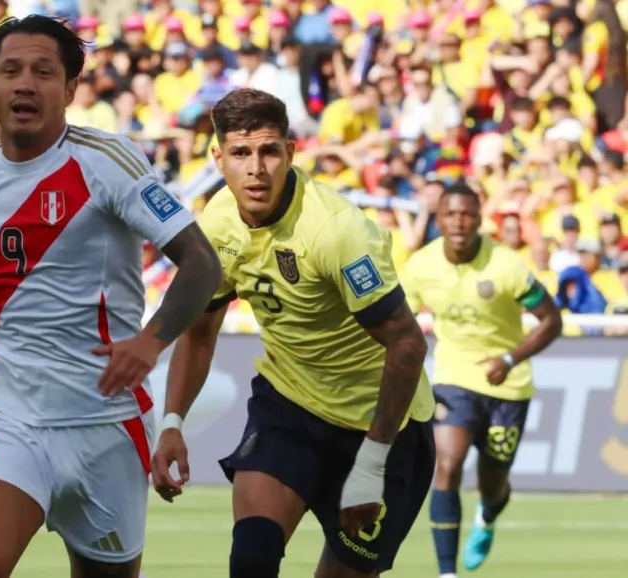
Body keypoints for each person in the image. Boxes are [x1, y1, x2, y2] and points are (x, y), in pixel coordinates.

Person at [0, 15, 223, 578]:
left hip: (106, 421)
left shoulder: (109, 162)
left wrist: (151, 343)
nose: (25, 84)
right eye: (10, 71)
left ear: (70, 89)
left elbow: (202, 262)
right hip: (8, 413)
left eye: (43, 71)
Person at [152, 88, 436, 578]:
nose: (256, 169)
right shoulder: (218, 221)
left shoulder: (336, 231)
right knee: (252, 560)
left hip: (380, 429)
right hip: (290, 407)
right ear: (218, 158)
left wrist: (371, 464)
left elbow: (407, 344)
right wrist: (172, 420)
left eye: (269, 151)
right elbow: (200, 331)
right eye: (241, 153)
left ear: (291, 152)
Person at [399, 184, 563, 578]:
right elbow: (397, 321)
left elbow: (552, 321)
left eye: (467, 214)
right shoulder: (420, 266)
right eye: (450, 214)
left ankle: (488, 515)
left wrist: (510, 358)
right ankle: (446, 572)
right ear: (438, 219)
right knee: (449, 463)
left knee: (493, 484)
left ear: (479, 219)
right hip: (455, 378)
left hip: (508, 385)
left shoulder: (505, 265)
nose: (459, 221)